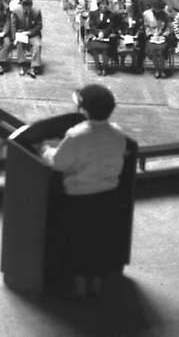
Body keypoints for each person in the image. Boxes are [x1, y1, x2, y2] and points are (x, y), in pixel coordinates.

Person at [40, 85, 129, 300]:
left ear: (85, 109)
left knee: (78, 241)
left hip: (80, 198)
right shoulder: (117, 133)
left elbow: (59, 164)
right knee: (99, 239)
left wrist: (45, 149)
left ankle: (80, 288)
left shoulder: (76, 135)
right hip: (109, 195)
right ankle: (97, 285)